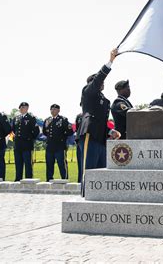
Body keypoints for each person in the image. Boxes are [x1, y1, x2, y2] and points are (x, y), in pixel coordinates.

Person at [77, 48, 121, 194]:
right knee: (89, 169)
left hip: (101, 137)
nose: (102, 83)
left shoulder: (102, 100)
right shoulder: (88, 91)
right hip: (90, 134)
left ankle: (98, 197)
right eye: (98, 80)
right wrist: (110, 61)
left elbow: (101, 122)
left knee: (101, 169)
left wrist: (110, 131)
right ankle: (86, 196)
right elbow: (97, 80)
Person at [43, 104, 74, 181]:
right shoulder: (47, 120)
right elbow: (44, 132)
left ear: (58, 110)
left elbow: (70, 132)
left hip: (60, 146)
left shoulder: (63, 119)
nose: (53, 110)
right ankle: (49, 180)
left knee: (62, 164)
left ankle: (64, 179)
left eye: (55, 109)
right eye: (52, 109)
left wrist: (63, 137)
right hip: (50, 146)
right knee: (49, 164)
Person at [12, 102, 40, 181]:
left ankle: (29, 180)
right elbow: (14, 129)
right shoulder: (16, 118)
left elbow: (36, 131)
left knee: (28, 164)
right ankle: (18, 179)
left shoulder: (31, 118)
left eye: (24, 107)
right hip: (18, 145)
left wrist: (30, 138)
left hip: (27, 145)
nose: (22, 109)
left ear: (27, 108)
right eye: (20, 107)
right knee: (18, 163)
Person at [75, 107, 83, 183]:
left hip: (89, 142)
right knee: (80, 163)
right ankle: (80, 181)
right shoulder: (79, 116)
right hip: (80, 141)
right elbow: (77, 129)